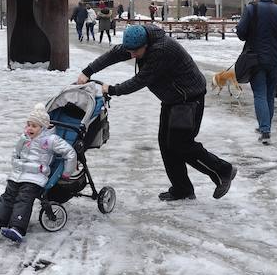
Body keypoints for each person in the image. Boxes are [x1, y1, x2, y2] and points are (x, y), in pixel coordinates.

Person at [76, 24, 237, 201]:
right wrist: (87, 71)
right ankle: (182, 189)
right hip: (172, 99)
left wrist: (112, 89)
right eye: (129, 52)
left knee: (180, 144)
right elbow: (114, 53)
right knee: (166, 144)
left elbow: (141, 80)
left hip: (189, 98)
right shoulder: (138, 41)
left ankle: (223, 171)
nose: (132, 56)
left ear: (146, 44)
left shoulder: (161, 50)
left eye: (135, 52)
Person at [0, 103, 76, 244]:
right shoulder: (24, 138)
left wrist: (67, 172)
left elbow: (70, 152)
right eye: (28, 124)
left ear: (43, 127)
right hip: (17, 175)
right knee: (7, 197)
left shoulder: (50, 140)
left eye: (34, 126)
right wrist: (15, 163)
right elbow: (16, 152)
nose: (29, 128)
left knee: (23, 199)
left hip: (35, 177)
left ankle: (17, 228)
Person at [236, 0, 277, 145]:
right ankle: (265, 126)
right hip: (275, 58)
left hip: (256, 58)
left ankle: (265, 129)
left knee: (259, 94)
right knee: (269, 94)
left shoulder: (251, 9)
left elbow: (241, 33)